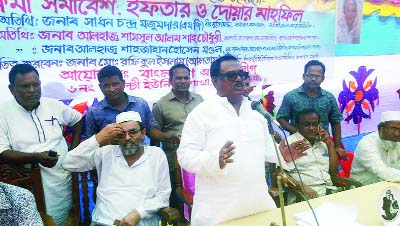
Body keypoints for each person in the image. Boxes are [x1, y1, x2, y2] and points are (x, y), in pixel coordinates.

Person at [177, 54, 283, 226]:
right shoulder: (201, 113)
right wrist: (214, 160)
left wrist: (283, 154)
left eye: (242, 74)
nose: (239, 79)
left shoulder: (255, 111)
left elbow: (268, 150)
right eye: (231, 75)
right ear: (215, 81)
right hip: (217, 214)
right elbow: (185, 156)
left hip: (257, 206)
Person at [0, 64, 82, 225]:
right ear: (11, 89)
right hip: (26, 181)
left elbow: (77, 119)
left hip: (60, 176)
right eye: (25, 86)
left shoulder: (53, 105)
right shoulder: (3, 113)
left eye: (36, 85)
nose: (32, 90)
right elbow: (2, 152)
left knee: (62, 217)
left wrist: (74, 149)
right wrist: (35, 157)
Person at [62, 111, 171, 226]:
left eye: (133, 132)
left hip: (142, 223)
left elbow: (163, 196)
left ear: (143, 133)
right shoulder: (106, 153)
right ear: (116, 137)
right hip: (104, 222)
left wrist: (138, 213)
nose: (128, 137)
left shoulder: (156, 155)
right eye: (122, 134)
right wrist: (98, 138)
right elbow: (68, 163)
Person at [151, 63, 203, 209]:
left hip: (199, 157)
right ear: (170, 81)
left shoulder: (199, 100)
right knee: (178, 199)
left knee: (200, 197)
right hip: (174, 161)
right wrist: (170, 136)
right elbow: (153, 132)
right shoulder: (161, 105)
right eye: (179, 78)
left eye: (186, 78)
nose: (183, 81)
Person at [84, 65, 179, 143]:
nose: (112, 89)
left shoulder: (140, 104)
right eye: (106, 86)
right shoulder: (94, 112)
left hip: (140, 157)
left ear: (123, 83)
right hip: (109, 161)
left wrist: (170, 137)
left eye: (115, 84)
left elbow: (151, 131)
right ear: (100, 87)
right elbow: (90, 142)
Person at [277, 60, 346, 158]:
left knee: (325, 170)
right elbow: (281, 118)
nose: (313, 79)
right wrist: (296, 131)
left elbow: (336, 121)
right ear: (303, 76)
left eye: (317, 76)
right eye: (310, 75)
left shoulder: (329, 97)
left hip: (323, 144)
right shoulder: (291, 96)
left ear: (323, 78)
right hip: (298, 145)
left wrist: (338, 146)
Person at [279, 109, 339, 200]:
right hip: (305, 196)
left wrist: (330, 145)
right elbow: (280, 175)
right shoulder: (288, 145)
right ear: (297, 126)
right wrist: (303, 187)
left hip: (330, 191)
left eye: (315, 124)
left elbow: (334, 172)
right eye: (306, 125)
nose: (311, 128)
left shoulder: (323, 144)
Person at [351, 111, 400, 185]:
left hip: (391, 183)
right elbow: (381, 170)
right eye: (392, 129)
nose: (397, 133)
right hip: (363, 187)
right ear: (380, 128)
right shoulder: (366, 144)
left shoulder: (396, 140)